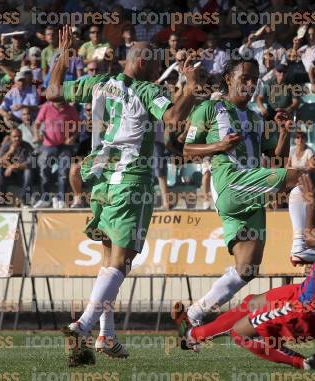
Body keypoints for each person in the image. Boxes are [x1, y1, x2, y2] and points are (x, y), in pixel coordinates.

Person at [49, 27, 201, 363]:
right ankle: (83, 326)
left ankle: (107, 335)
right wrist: (191, 85)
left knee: (108, 261)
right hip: (131, 181)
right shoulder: (148, 90)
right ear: (144, 63)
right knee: (121, 262)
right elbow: (174, 117)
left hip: (102, 180)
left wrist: (63, 53)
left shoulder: (99, 83)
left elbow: (54, 92)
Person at [172, 155, 315, 370]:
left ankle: (303, 363)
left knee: (240, 333)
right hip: (311, 294)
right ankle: (192, 335)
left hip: (307, 308)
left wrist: (310, 203)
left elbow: (311, 236)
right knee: (252, 302)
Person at [179, 57, 313, 327]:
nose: (250, 85)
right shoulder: (209, 109)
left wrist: (284, 133)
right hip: (231, 183)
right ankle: (301, 244)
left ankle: (194, 314)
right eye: (245, 78)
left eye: (254, 80)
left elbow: (276, 161)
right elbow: (187, 150)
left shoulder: (254, 118)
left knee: (247, 269)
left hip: (249, 191)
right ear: (229, 78)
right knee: (301, 179)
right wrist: (219, 145)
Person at [32, 99, 79, 209]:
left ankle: (61, 199)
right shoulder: (46, 108)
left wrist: (73, 137)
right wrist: (36, 134)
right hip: (48, 145)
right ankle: (45, 199)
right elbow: (37, 124)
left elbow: (77, 126)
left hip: (65, 146)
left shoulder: (70, 109)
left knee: (63, 172)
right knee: (44, 171)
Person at [0, 128, 34, 206]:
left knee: (28, 171)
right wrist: (10, 152)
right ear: (10, 137)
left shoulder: (27, 146)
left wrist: (12, 166)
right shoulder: (6, 146)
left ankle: (24, 200)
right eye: (14, 136)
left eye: (19, 136)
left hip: (22, 176)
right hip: (9, 176)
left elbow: (29, 164)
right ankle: (1, 199)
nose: (17, 139)